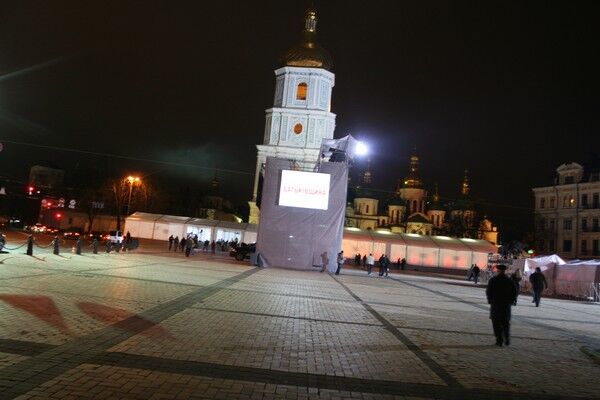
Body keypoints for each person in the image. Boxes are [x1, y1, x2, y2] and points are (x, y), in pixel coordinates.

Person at [486, 264, 517, 347]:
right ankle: (507, 338)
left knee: (496, 323)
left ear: (498, 270)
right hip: (506, 305)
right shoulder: (509, 281)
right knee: (505, 323)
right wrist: (511, 301)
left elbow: (488, 292)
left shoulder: (493, 280)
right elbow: (514, 292)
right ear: (504, 271)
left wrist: (490, 301)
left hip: (496, 305)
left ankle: (499, 340)